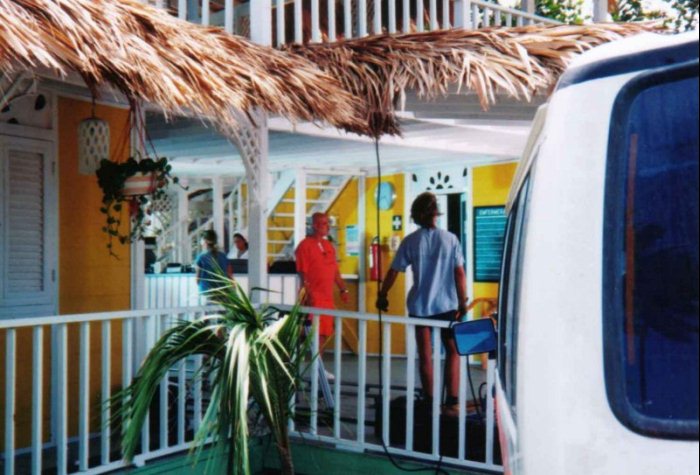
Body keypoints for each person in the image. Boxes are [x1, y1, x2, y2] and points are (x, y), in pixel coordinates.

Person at [376, 192, 468, 416]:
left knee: (425, 354)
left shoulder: (410, 241)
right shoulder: (450, 239)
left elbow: (394, 271)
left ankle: (430, 400)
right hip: (447, 305)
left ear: (416, 215)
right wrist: (463, 302)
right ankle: (452, 401)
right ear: (436, 213)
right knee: (453, 351)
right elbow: (459, 273)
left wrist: (383, 294)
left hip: (420, 306)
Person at [295, 212, 350, 379]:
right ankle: (303, 364)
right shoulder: (304, 246)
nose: (327, 227)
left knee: (323, 334)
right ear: (314, 225)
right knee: (309, 333)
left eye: (328, 223)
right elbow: (303, 273)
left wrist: (343, 289)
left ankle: (317, 368)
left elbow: (335, 271)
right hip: (313, 297)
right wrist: (308, 294)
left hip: (327, 298)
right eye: (324, 223)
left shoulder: (328, 246)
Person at [194, 230, 232, 302]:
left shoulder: (201, 257)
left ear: (205, 241)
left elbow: (197, 280)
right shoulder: (223, 256)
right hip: (223, 292)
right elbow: (229, 276)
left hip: (207, 292)